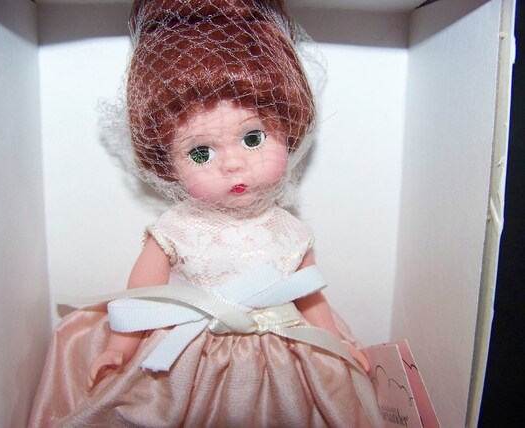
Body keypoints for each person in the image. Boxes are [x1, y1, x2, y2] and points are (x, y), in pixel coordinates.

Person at [28, 1, 379, 426]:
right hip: (192, 355)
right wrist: (120, 346)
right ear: (167, 165)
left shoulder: (288, 230)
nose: (233, 164)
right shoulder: (178, 229)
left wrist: (337, 342)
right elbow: (143, 294)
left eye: (253, 138)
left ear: (290, 132)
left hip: (278, 349)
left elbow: (311, 296)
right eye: (200, 152)